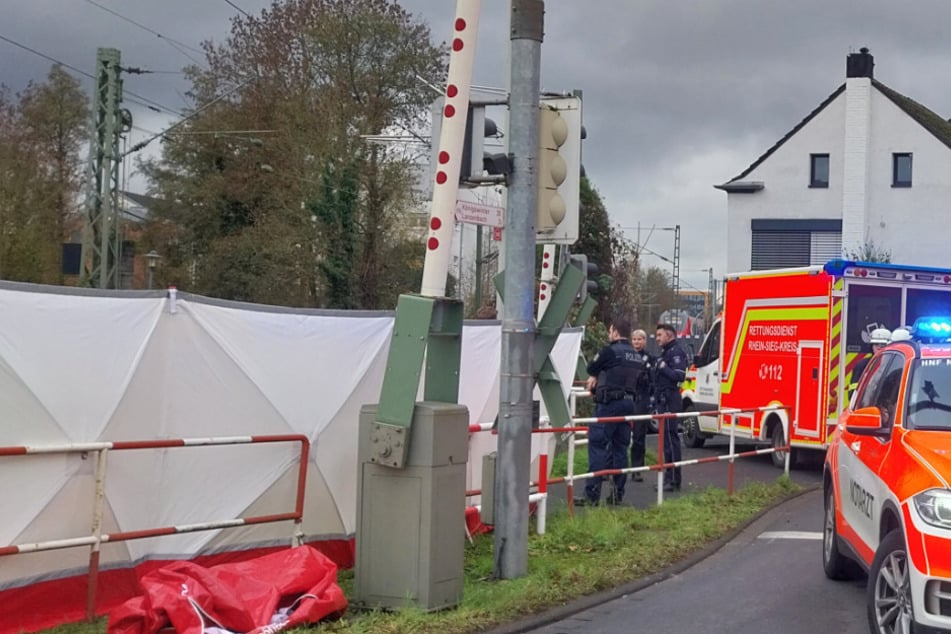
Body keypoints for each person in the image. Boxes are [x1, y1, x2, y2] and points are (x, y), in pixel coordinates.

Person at [576, 316, 645, 506]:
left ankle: (592, 495)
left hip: (609, 404)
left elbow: (591, 367)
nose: (609, 334)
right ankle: (617, 494)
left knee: (597, 445)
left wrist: (595, 375)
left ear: (615, 332)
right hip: (628, 404)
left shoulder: (609, 351)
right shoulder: (636, 356)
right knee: (620, 448)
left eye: (610, 331)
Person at [653, 323, 688, 492]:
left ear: (669, 335)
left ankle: (673, 479)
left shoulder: (676, 353)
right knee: (665, 440)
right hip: (663, 399)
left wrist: (663, 367)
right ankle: (669, 477)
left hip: (670, 399)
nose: (657, 338)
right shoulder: (665, 352)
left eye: (660, 335)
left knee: (670, 440)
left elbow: (679, 376)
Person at [629, 328, 654, 481]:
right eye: (634, 339)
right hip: (627, 397)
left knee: (639, 435)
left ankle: (637, 469)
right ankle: (612, 468)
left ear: (644, 341)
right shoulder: (627, 356)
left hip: (642, 398)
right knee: (618, 433)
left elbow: (653, 381)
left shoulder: (650, 358)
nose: (636, 342)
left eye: (639, 339)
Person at [850, 327, 891, 395]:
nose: (879, 347)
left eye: (882, 344)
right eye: (876, 344)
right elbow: (853, 392)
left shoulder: (895, 364)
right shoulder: (862, 365)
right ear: (871, 346)